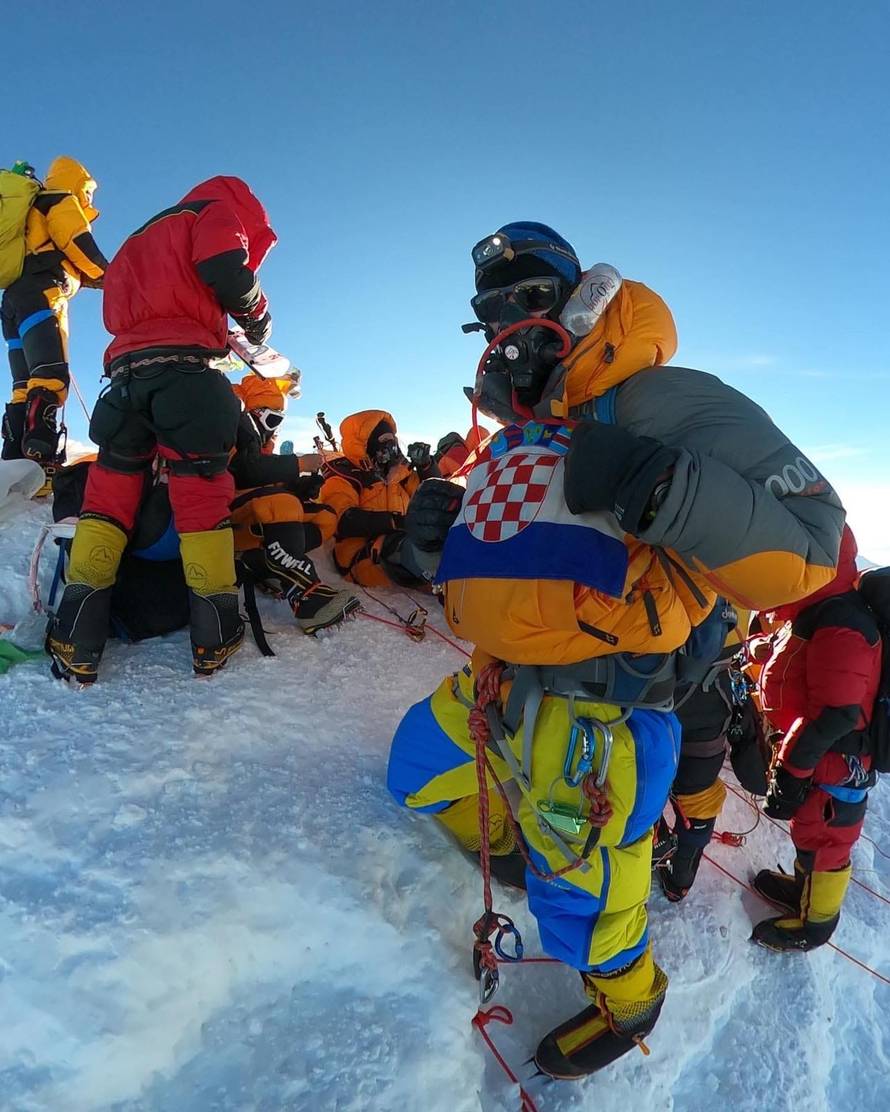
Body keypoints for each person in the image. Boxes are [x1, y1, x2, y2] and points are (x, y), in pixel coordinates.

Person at [386, 221, 846, 1079]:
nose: (511, 326)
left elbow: (814, 544)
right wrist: (430, 551)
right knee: (415, 767)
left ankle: (630, 997)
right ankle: (530, 856)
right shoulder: (522, 427)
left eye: (530, 298)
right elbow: (525, 566)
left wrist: (662, 486)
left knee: (586, 895)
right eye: (493, 312)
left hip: (603, 705)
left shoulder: (663, 399)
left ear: (584, 294)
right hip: (499, 680)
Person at [46, 176, 275, 683]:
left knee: (107, 498)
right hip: (188, 377)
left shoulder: (134, 241)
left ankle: (76, 634)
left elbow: (118, 307)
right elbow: (225, 268)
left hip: (125, 379)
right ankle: (213, 634)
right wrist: (257, 320)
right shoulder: (211, 213)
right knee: (201, 498)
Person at [749, 525, 881, 951]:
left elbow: (835, 716)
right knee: (810, 835)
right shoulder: (820, 609)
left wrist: (791, 770)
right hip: (815, 758)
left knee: (826, 842)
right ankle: (804, 890)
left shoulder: (843, 622)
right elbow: (797, 665)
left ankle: (816, 924)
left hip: (834, 765)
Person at [229, 374, 360, 634]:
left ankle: (266, 563)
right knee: (283, 504)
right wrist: (297, 465)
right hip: (226, 513)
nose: (276, 428)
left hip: (252, 514)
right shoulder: (233, 429)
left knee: (325, 517)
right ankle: (307, 598)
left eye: (280, 420)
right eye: (272, 419)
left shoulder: (261, 443)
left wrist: (297, 487)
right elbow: (242, 470)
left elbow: (260, 482)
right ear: (254, 413)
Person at [655, 602, 767, 901]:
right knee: (698, 795)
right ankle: (680, 879)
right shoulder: (738, 570)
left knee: (638, 778)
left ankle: (648, 848)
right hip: (712, 702)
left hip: (648, 692)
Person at [1, 157, 107, 469]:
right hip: (43, 296)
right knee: (50, 374)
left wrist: (84, 279)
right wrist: (111, 277)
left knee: (24, 382)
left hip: (11, 303)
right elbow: (76, 242)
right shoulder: (58, 199)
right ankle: (42, 451)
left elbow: (47, 252)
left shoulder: (27, 210)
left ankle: (13, 455)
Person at [319, 410, 438, 588]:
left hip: (400, 543)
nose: (390, 445)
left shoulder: (400, 475)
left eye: (392, 439)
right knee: (423, 554)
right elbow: (343, 520)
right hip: (362, 556)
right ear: (367, 444)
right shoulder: (344, 476)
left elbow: (433, 496)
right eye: (383, 440)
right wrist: (395, 522)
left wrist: (426, 466)